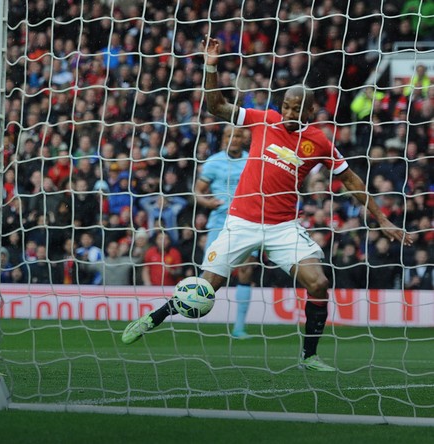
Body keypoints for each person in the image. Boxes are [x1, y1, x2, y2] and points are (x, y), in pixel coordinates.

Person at [122, 37, 413, 372]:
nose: (288, 113)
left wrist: (382, 220)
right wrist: (211, 65)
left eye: (295, 109)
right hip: (241, 222)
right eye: (285, 106)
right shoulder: (264, 119)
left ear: (310, 112)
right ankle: (151, 319)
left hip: (282, 227)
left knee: (318, 283)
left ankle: (309, 356)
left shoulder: (318, 141)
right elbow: (217, 107)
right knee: (204, 290)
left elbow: (351, 180)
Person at [194, 125, 254, 339]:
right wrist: (207, 203)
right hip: (220, 222)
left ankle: (239, 327)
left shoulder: (252, 160)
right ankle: (194, 313)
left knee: (246, 270)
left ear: (243, 138)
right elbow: (198, 192)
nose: (234, 139)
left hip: (247, 223)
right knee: (209, 272)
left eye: (237, 135)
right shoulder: (214, 162)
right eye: (230, 135)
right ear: (224, 138)